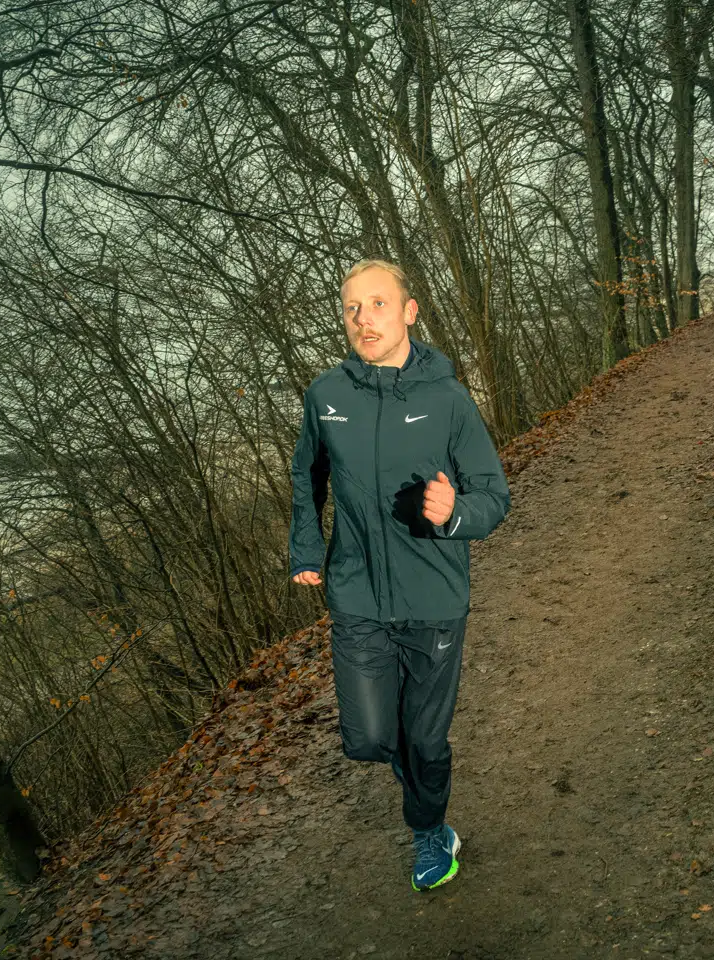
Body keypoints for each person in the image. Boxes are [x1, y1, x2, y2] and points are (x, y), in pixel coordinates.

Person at [288, 258, 511, 891]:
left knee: (426, 741)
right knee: (368, 737)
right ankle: (415, 782)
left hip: (433, 596)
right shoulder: (326, 396)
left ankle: (429, 829)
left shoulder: (448, 399)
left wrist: (455, 513)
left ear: (410, 312)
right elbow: (307, 475)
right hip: (357, 593)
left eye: (379, 304)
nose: (365, 318)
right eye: (352, 308)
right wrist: (307, 550)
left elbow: (494, 495)